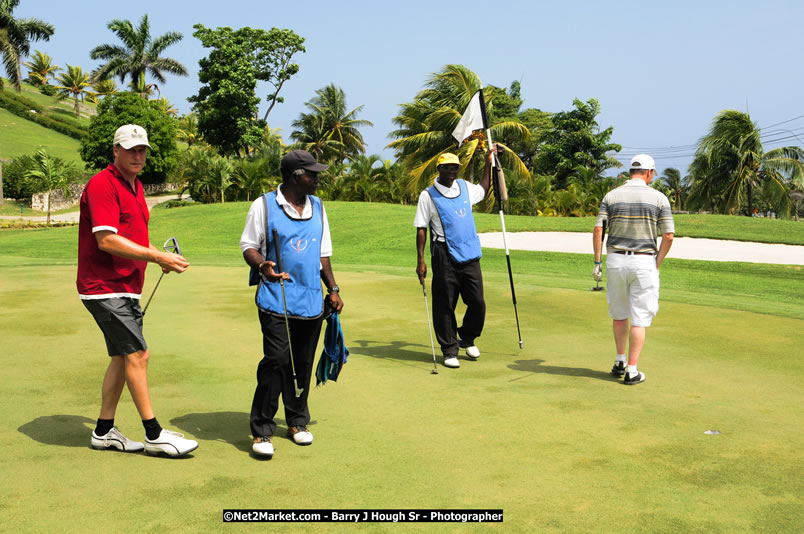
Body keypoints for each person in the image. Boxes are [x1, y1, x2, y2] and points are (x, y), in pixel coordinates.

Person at [78, 124, 198, 456]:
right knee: (138, 355)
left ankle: (103, 432)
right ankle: (154, 433)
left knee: (121, 356)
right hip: (103, 287)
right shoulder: (103, 184)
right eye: (130, 149)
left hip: (127, 287)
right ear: (115, 150)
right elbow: (107, 240)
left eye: (142, 149)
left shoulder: (136, 186)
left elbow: (131, 236)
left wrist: (155, 258)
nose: (137, 155)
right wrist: (157, 254)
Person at [240, 149, 344, 458]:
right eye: (312, 174)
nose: (318, 179)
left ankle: (298, 421)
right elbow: (248, 245)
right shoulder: (264, 205)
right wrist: (262, 266)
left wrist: (334, 288)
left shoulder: (319, 207)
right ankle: (261, 429)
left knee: (302, 363)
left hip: (311, 300)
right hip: (276, 298)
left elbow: (323, 254)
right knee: (276, 361)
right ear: (295, 177)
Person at [593, 154, 674, 385]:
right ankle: (632, 370)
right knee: (639, 317)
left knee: (619, 314)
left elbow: (599, 230)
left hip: (615, 260)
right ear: (649, 173)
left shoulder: (611, 195)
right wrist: (657, 263)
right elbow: (668, 235)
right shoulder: (659, 198)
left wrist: (597, 262)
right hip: (643, 261)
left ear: (631, 172)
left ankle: (619, 361)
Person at [414, 147, 494, 369]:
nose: (452, 171)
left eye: (455, 167)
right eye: (447, 167)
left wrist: (488, 163)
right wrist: (421, 261)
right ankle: (449, 349)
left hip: (469, 252)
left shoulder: (464, 187)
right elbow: (421, 228)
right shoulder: (427, 195)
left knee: (477, 301)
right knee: (445, 304)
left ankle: (467, 337)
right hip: (443, 254)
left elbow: (483, 188)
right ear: (439, 169)